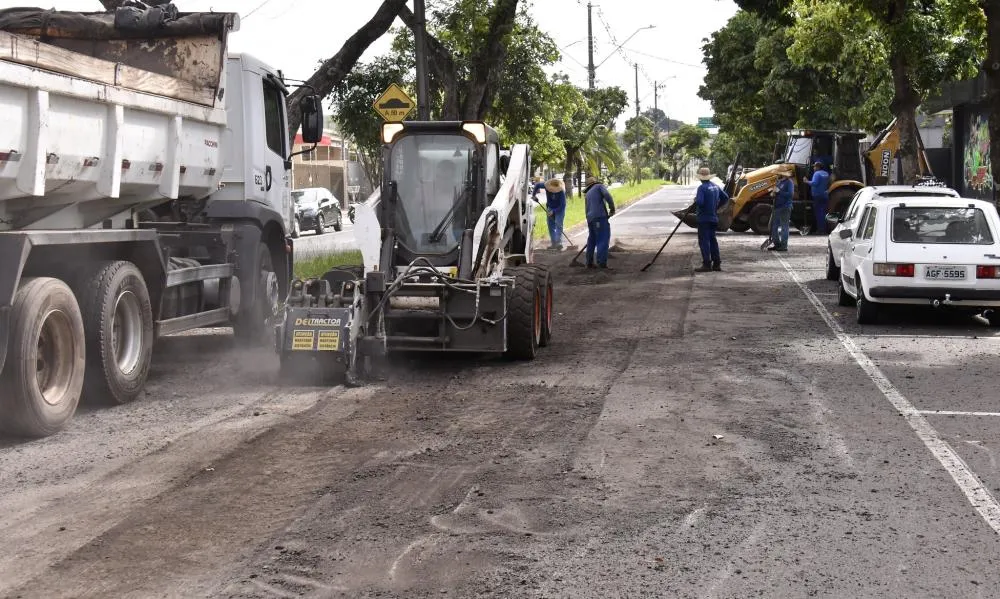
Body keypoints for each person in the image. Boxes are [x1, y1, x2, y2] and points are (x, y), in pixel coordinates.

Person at [693, 166, 729, 272]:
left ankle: (707, 264)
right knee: (713, 240)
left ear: (700, 177)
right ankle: (717, 263)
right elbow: (726, 197)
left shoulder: (702, 188)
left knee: (704, 241)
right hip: (713, 217)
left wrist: (696, 199)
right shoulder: (715, 186)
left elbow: (700, 202)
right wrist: (716, 206)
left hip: (703, 218)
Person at [584, 175, 615, 269]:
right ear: (595, 182)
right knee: (603, 239)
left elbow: (586, 209)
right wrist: (612, 208)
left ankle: (589, 262)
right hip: (600, 218)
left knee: (592, 240)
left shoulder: (588, 193)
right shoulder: (599, 186)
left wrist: (590, 220)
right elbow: (607, 195)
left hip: (590, 219)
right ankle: (601, 263)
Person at [533, 177, 567, 249]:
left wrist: (553, 211)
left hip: (559, 209)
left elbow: (563, 205)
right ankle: (553, 243)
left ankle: (559, 243)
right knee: (550, 225)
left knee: (558, 224)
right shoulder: (546, 186)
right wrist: (533, 195)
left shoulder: (561, 192)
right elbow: (537, 185)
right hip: (550, 207)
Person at [769, 170, 793, 252]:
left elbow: (790, 194)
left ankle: (783, 246)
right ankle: (777, 244)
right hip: (776, 207)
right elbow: (776, 193)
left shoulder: (789, 182)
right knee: (772, 226)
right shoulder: (779, 182)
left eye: (779, 173)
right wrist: (773, 193)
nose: (778, 175)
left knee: (784, 227)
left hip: (785, 207)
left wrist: (779, 191)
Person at [803, 161, 830, 234]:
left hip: (817, 195)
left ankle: (820, 230)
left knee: (819, 213)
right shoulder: (826, 173)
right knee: (824, 213)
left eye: (814, 166)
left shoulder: (817, 174)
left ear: (818, 167)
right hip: (825, 195)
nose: (814, 168)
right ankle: (825, 230)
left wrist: (806, 181)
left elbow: (814, 183)